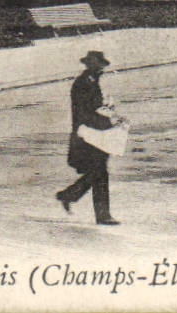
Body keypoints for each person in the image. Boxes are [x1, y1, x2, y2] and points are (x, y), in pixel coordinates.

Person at [56, 50, 120, 225]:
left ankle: (70, 196)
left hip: (94, 133)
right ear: (91, 64)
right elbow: (84, 111)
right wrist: (104, 117)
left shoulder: (91, 81)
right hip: (88, 135)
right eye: (99, 64)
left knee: (98, 172)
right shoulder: (83, 83)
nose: (102, 68)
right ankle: (100, 214)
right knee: (99, 172)